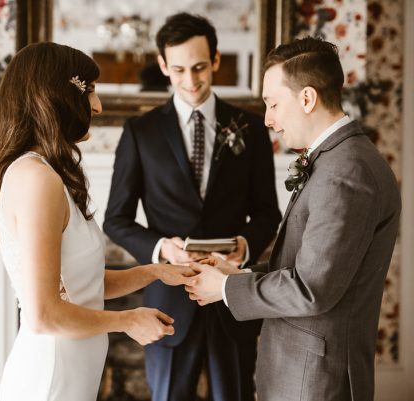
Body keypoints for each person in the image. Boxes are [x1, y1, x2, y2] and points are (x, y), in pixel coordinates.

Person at [186, 37, 401, 401]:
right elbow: (307, 264)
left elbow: (312, 289)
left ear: (307, 98)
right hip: (301, 370)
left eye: (272, 104)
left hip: (315, 379)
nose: (268, 119)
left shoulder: (345, 174)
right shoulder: (336, 161)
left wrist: (224, 289)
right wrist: (239, 274)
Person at [0, 42, 194, 401]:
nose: (97, 106)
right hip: (50, 378)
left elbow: (84, 285)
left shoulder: (48, 174)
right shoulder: (35, 178)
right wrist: (128, 320)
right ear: (56, 96)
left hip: (73, 373)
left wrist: (157, 271)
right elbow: (44, 314)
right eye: (90, 90)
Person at [103, 12, 281, 401]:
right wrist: (161, 249)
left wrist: (243, 246)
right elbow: (115, 219)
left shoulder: (250, 128)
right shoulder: (141, 132)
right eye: (179, 69)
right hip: (168, 303)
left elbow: (269, 211)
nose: (191, 80)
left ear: (216, 60)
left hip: (232, 297)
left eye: (200, 67)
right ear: (164, 66)